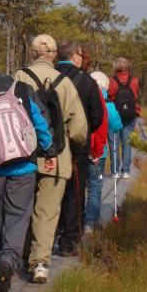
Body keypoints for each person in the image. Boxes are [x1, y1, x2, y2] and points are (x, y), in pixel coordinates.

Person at [0, 57, 56, 292]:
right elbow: (39, 121)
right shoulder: (19, 89)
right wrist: (48, 149)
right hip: (24, 167)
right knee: (18, 216)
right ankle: (9, 261)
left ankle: (0, 259)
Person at [13, 34, 87, 283]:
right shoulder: (65, 83)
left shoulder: (18, 77)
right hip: (56, 158)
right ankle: (41, 262)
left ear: (33, 53)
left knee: (21, 209)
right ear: (54, 55)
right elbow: (78, 130)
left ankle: (16, 257)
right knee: (46, 211)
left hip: (22, 156)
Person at [54, 39, 105, 254]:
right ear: (75, 56)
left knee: (49, 191)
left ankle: (47, 237)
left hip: (48, 146)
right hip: (77, 148)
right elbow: (98, 115)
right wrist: (84, 135)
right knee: (74, 193)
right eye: (81, 55)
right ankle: (69, 242)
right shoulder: (86, 81)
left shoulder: (48, 77)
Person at [86, 71, 123, 230]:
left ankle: (75, 221)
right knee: (95, 187)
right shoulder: (108, 103)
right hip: (99, 151)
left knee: (80, 187)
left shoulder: (82, 97)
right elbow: (116, 126)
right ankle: (91, 223)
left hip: (81, 149)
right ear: (105, 86)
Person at [108, 58, 147, 178]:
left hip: (115, 115)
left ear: (116, 67)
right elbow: (136, 94)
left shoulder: (111, 81)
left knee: (114, 143)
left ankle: (115, 170)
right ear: (127, 66)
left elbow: (109, 96)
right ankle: (125, 171)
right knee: (127, 143)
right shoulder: (134, 80)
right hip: (130, 115)